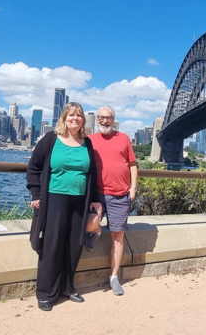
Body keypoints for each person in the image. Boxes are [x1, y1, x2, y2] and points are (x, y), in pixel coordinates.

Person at [26, 102, 98, 311]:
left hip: (80, 201)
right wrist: (36, 193)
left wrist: (94, 200)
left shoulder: (87, 143)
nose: (75, 119)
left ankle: (67, 287)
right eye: (71, 116)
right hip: (54, 199)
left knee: (74, 244)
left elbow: (92, 174)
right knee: (52, 244)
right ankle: (46, 293)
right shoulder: (51, 139)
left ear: (83, 120)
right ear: (64, 118)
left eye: (79, 116)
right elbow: (34, 167)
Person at [86, 106, 138, 296]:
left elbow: (132, 164)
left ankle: (114, 277)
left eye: (108, 118)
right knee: (90, 224)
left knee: (117, 236)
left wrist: (133, 188)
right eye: (101, 117)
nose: (104, 121)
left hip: (120, 195)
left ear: (113, 119)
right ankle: (97, 231)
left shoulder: (123, 138)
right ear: (97, 119)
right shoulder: (89, 140)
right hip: (97, 194)